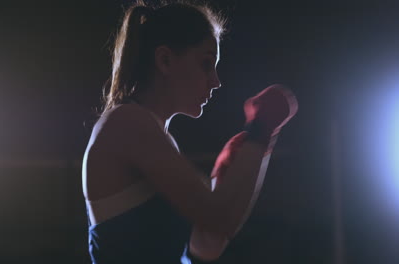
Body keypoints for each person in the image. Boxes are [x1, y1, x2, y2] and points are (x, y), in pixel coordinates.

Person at [82, 1, 298, 263]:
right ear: (165, 60)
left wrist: (259, 143)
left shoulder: (159, 138)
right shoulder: (126, 123)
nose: (215, 81)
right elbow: (218, 219)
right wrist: (258, 133)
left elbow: (208, 242)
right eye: (206, 63)